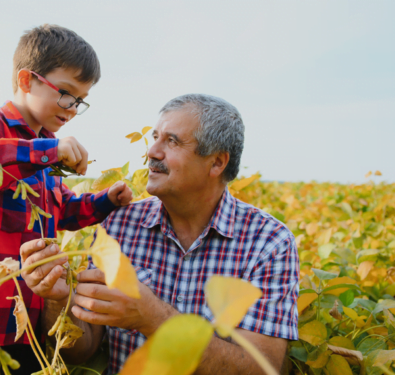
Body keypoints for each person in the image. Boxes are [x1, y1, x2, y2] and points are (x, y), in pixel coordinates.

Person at [20, 94, 300, 374]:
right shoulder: (120, 224)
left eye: (173, 141)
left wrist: (153, 318)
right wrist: (58, 300)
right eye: (155, 137)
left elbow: (264, 369)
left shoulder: (269, 243)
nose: (152, 152)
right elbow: (82, 349)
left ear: (216, 163)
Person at [0, 24, 133, 375]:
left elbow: (65, 212)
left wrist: (106, 200)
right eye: (66, 93)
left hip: (27, 319)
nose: (72, 108)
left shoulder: (42, 150)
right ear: (27, 80)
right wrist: (46, 150)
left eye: (80, 100)